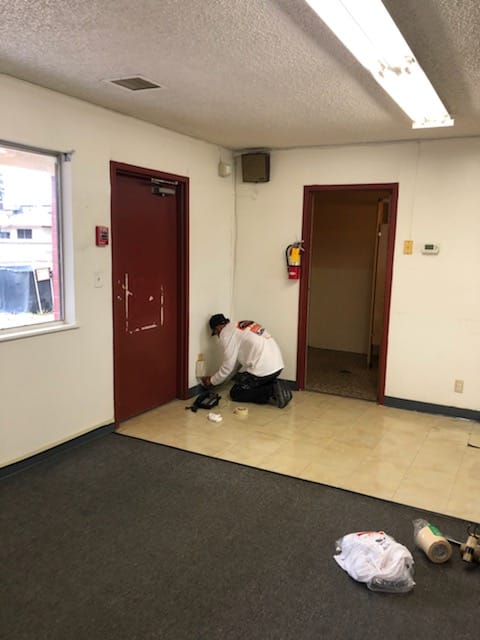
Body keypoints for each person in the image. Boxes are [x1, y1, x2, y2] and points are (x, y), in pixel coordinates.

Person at [201, 314, 292, 408]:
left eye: (216, 333)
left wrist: (212, 381)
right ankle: (276, 386)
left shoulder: (226, 333)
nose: (218, 336)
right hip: (277, 366)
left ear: (218, 328)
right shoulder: (239, 326)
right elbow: (236, 363)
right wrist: (224, 378)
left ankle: (271, 391)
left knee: (237, 392)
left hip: (263, 370)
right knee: (245, 379)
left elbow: (228, 366)